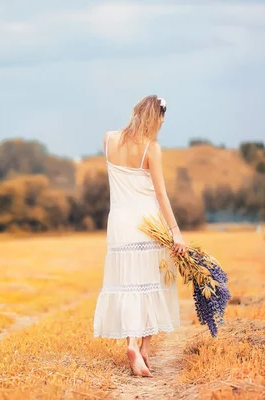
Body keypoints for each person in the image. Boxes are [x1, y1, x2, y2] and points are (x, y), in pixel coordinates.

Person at [93, 95, 186, 377]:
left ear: (136, 112)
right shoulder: (152, 148)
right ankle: (141, 348)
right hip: (147, 223)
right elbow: (160, 194)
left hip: (119, 222)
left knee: (128, 283)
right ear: (158, 120)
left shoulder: (109, 140)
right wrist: (175, 232)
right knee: (150, 283)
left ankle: (136, 347)